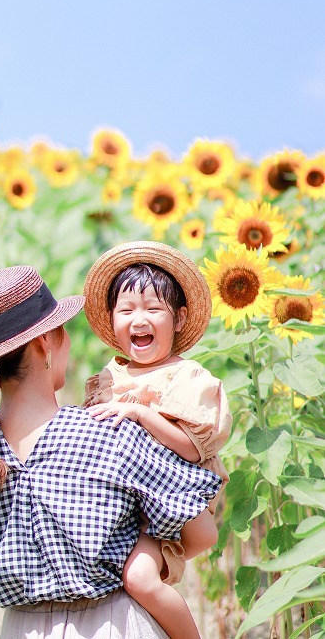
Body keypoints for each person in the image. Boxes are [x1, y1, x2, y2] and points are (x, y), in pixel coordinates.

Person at [0, 264, 222, 639]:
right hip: (113, 625)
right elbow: (202, 532)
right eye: (64, 332)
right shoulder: (112, 434)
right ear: (45, 344)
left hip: (19, 629)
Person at [82, 240, 232, 639]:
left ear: (180, 318)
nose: (138, 319)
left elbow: (192, 446)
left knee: (141, 580)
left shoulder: (187, 376)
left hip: (173, 505)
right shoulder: (109, 378)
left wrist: (142, 413)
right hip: (123, 502)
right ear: (112, 320)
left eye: (153, 309)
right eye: (126, 310)